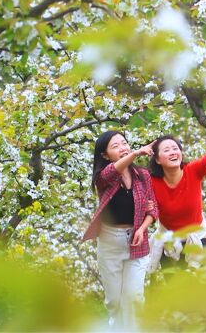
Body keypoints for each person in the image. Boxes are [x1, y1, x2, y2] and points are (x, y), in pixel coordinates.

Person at [82, 130, 159, 331]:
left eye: (124, 143)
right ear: (105, 155)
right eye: (115, 146)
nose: (123, 148)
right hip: (110, 244)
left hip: (137, 241)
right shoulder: (104, 177)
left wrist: (143, 228)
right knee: (114, 301)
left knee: (134, 298)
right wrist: (135, 154)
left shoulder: (142, 175)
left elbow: (154, 208)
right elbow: (111, 172)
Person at [148, 135, 206, 271]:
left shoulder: (193, 171)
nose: (173, 152)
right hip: (170, 245)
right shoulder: (151, 182)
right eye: (167, 150)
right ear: (157, 159)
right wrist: (148, 207)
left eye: (175, 148)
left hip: (199, 242)